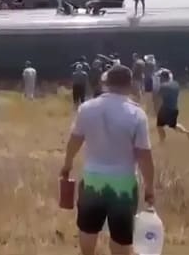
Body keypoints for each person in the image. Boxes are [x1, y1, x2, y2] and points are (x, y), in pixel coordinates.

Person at [60, 65, 155, 255]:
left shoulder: (86, 108)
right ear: (130, 84)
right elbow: (144, 155)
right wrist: (150, 188)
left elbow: (74, 141)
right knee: (121, 236)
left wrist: (67, 165)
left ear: (105, 83)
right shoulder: (136, 114)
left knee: (88, 228)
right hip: (124, 184)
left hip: (92, 180)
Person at [156, 70, 189, 143]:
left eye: (160, 77)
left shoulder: (163, 86)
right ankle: (187, 132)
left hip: (165, 109)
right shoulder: (175, 84)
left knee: (159, 126)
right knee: (173, 125)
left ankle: (162, 141)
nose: (160, 79)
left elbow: (158, 98)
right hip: (174, 108)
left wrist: (156, 110)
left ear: (163, 77)